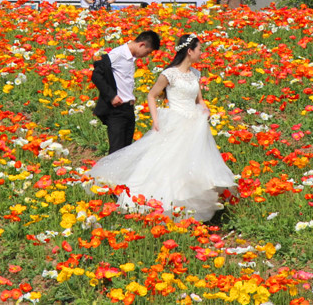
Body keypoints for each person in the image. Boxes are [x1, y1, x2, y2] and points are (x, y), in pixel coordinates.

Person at [88, 33, 235, 221]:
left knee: (192, 162)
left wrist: (204, 108)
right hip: (173, 120)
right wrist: (156, 120)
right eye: (199, 50)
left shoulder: (196, 74)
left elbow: (199, 99)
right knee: (161, 161)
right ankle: (135, 195)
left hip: (195, 124)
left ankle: (188, 203)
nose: (201, 53)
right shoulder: (169, 74)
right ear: (189, 51)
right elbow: (151, 95)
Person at [90, 29, 161, 155]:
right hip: (116, 110)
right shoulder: (118, 54)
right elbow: (96, 74)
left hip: (128, 109)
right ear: (142, 45)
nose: (146, 55)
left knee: (126, 151)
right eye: (147, 52)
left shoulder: (130, 58)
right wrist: (111, 96)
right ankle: (110, 175)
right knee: (117, 150)